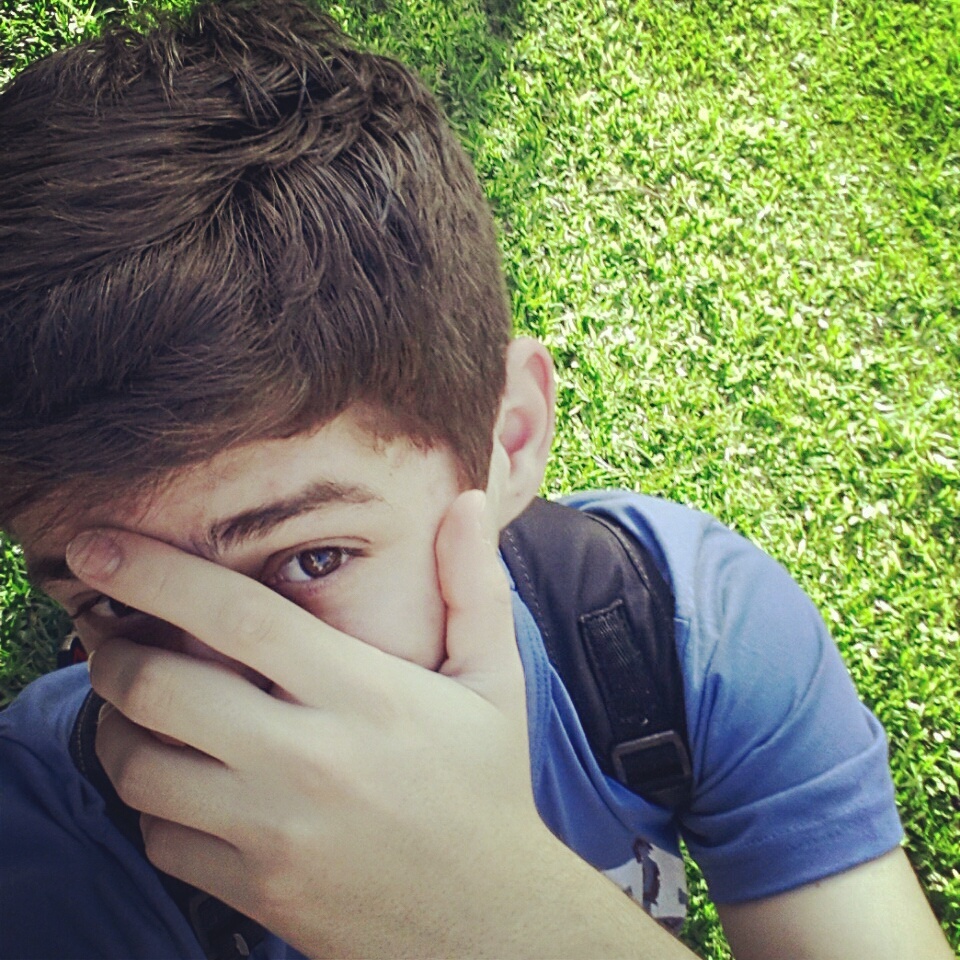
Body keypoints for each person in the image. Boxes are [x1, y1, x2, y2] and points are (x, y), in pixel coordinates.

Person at [0, 2, 952, 958]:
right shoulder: (56, 819)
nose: (217, 694)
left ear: (508, 436)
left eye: (311, 559)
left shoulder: (676, 630)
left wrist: (503, 917)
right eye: (116, 604)